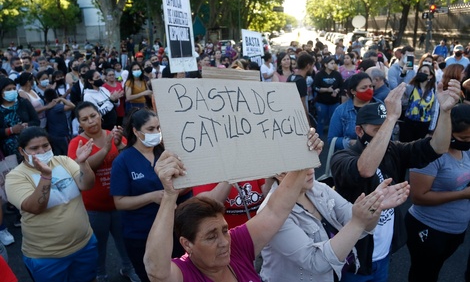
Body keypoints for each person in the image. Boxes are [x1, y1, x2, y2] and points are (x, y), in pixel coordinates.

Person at [142, 129, 324, 282]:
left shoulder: (236, 246)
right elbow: (156, 270)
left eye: (224, 230)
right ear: (187, 244)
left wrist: (303, 160)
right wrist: (170, 195)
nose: (224, 242)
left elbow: (274, 211)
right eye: (211, 237)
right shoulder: (186, 274)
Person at [330, 78, 462, 282]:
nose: (386, 134)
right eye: (378, 129)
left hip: (383, 254)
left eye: (388, 128)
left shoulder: (394, 150)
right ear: (359, 131)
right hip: (355, 257)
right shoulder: (342, 157)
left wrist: (444, 113)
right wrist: (390, 118)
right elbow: (365, 169)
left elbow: (439, 147)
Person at [259, 173, 410, 282]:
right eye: (302, 166)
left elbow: (359, 227)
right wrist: (358, 221)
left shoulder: (317, 188)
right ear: (280, 174)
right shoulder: (272, 212)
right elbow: (316, 262)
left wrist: (374, 206)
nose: (311, 170)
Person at [5, 126, 97, 281]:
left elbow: (86, 185)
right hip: (47, 257)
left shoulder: (63, 161)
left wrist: (83, 163)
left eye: (45, 145)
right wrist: (46, 175)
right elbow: (35, 207)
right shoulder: (15, 177)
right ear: (22, 151)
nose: (41, 151)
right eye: (34, 148)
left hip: (84, 245)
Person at [110, 108, 191, 282]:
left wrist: (174, 193)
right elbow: (120, 202)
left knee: (179, 274)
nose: (157, 133)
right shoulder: (123, 161)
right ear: (135, 131)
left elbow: (184, 184)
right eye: (151, 129)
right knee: (151, 276)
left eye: (159, 128)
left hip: (173, 229)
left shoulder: (166, 153)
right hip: (140, 234)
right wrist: (152, 196)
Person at [68, 102, 139, 282]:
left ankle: (128, 268)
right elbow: (79, 168)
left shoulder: (113, 135)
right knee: (98, 245)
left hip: (120, 203)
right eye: (84, 119)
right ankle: (100, 274)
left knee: (124, 240)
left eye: (93, 116)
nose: (91, 121)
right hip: (94, 207)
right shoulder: (77, 143)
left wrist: (119, 145)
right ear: (79, 123)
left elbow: (131, 160)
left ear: (100, 115)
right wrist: (107, 149)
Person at [405, 104, 470, 282]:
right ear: (449, 131)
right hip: (429, 228)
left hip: (455, 229)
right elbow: (418, 196)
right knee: (423, 274)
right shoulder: (430, 154)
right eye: (464, 137)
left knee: (434, 270)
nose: (468, 141)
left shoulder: (465, 150)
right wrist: (463, 194)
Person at [328, 73, 377, 150]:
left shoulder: (380, 107)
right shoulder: (341, 111)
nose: (369, 90)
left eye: (370, 86)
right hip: (351, 157)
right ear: (353, 91)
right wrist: (351, 143)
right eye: (364, 88)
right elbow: (332, 140)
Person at [0, 78, 40, 163]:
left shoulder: (23, 103)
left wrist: (27, 125)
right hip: (8, 152)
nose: (12, 91)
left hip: (29, 145)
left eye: (14, 88)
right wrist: (11, 130)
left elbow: (36, 121)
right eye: (8, 89)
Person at [399, 63, 437, 142]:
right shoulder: (411, 87)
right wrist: (404, 72)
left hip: (423, 126)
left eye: (425, 72)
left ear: (430, 76)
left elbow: (434, 112)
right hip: (408, 124)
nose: (421, 73)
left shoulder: (434, 92)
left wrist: (431, 131)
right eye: (420, 71)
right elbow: (400, 86)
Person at [313, 56, 343, 135]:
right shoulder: (319, 75)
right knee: (321, 120)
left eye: (334, 63)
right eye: (331, 63)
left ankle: (333, 137)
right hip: (321, 102)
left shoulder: (337, 74)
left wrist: (337, 90)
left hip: (334, 102)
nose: (334, 65)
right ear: (326, 64)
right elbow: (315, 87)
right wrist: (326, 90)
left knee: (334, 120)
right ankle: (319, 137)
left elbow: (342, 86)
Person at [44, 88, 74, 155]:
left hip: (52, 134)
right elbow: (72, 106)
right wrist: (62, 99)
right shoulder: (57, 107)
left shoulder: (46, 107)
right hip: (62, 135)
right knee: (67, 154)